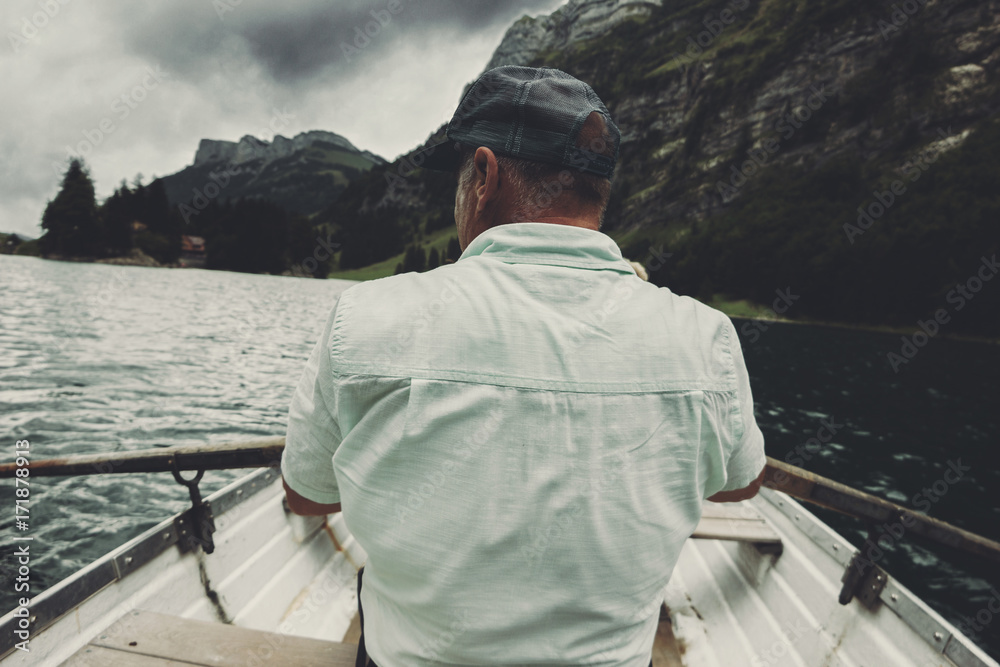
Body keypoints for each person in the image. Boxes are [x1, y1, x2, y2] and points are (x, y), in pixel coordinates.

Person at [281, 65, 766, 667]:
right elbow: (742, 483)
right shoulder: (706, 335)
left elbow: (306, 496)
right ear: (599, 189)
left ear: (482, 176)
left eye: (456, 179)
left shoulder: (366, 318)